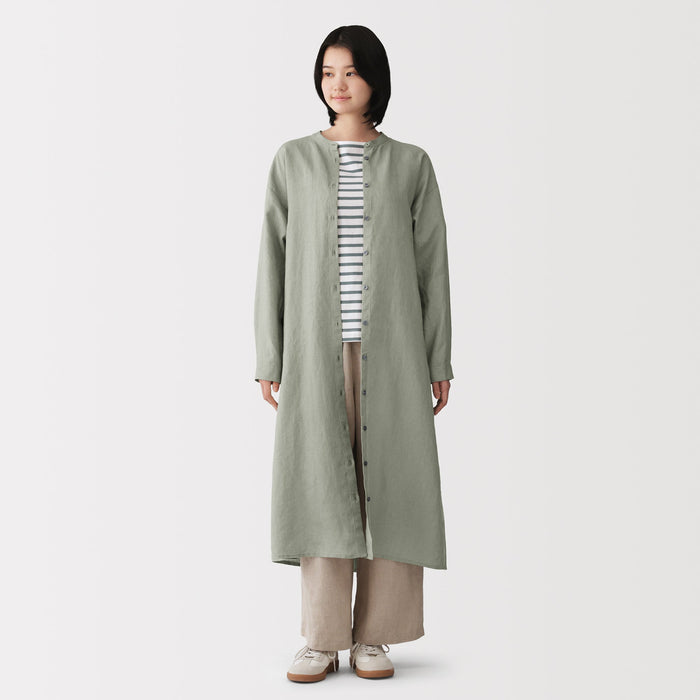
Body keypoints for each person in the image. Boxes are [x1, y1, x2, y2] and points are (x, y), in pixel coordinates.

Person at [254, 25, 454, 682]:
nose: (337, 85)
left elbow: (432, 268)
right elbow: (272, 262)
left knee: (392, 486)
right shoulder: (291, 161)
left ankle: (376, 636)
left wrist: (438, 360)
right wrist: (270, 355)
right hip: (314, 354)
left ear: (375, 79)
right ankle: (321, 636)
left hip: (393, 351)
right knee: (320, 484)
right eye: (327, 72)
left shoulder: (412, 164)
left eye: (350, 72)